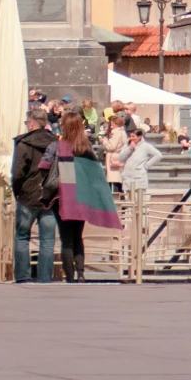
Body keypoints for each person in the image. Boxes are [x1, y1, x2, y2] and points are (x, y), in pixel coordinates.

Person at [54, 108, 120, 281]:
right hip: (82, 197)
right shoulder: (86, 147)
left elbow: (45, 166)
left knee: (66, 238)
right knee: (78, 236)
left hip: (65, 197)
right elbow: (95, 174)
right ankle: (81, 273)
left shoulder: (59, 146)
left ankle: (69, 276)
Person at [11, 99, 63, 283]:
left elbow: (18, 172)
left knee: (22, 236)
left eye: (27, 123)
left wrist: (17, 191)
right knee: (47, 240)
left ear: (31, 124)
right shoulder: (57, 144)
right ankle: (44, 278)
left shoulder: (24, 144)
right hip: (50, 196)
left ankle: (23, 277)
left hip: (27, 195)